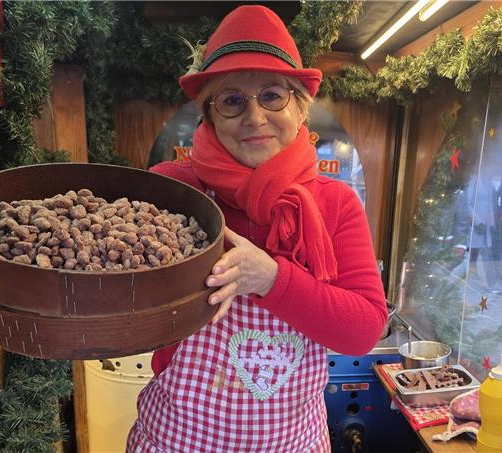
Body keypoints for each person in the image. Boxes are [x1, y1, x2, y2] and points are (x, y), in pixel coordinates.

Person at [127, 6, 387, 452]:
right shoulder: (172, 189)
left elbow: (364, 329)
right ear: (209, 115)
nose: (254, 116)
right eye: (231, 100)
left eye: (272, 95)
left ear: (300, 107)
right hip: (176, 442)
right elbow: (100, 265)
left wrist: (271, 279)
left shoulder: (335, 203)